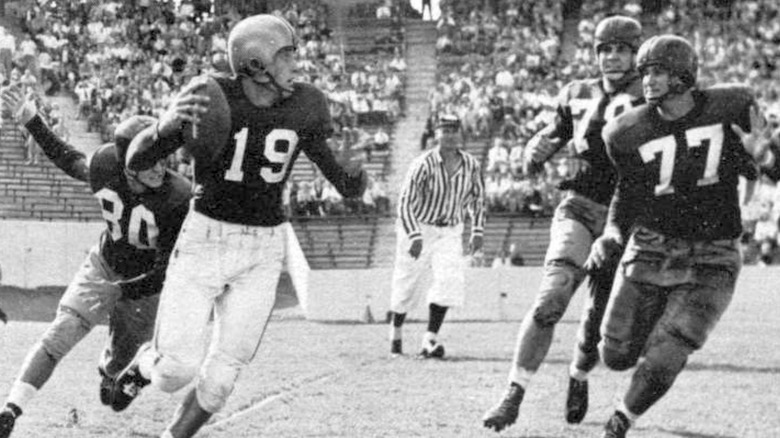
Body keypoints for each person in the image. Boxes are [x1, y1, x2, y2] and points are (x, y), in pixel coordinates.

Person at [112, 15, 367, 438]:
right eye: (285, 54)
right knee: (175, 371)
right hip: (206, 237)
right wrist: (166, 122)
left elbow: (345, 183)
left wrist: (356, 174)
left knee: (223, 377)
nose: (295, 63)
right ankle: (145, 364)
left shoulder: (305, 104)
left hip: (265, 247)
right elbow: (136, 160)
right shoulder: (211, 96)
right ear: (255, 62)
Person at [584, 34, 776, 438]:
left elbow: (767, 171)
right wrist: (612, 232)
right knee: (615, 353)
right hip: (651, 246)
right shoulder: (626, 131)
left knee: (673, 344)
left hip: (714, 253)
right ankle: (642, 345)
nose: (648, 80)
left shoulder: (727, 111)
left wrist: (765, 155)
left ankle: (621, 419)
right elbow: (628, 192)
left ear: (682, 75)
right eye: (646, 72)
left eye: (657, 71)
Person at [0, 88, 194, 437]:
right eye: (151, 159)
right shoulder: (106, 166)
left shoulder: (176, 197)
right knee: (61, 333)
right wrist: (31, 117)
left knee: (116, 388)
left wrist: (122, 291)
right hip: (104, 264)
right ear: (128, 162)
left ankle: (113, 369)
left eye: (163, 156)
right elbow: (67, 158)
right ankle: (10, 410)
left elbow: (165, 271)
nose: (161, 166)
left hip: (144, 283)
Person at [483, 15, 645, 431]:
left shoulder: (650, 94)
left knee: (596, 323)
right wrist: (537, 146)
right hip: (579, 204)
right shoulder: (577, 93)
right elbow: (556, 131)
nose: (612, 57)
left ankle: (578, 374)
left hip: (624, 216)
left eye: (621, 49)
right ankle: (513, 394)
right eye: (605, 49)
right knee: (551, 297)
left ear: (636, 54)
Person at [388, 113, 485, 358]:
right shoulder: (423, 164)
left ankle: (429, 339)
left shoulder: (471, 164)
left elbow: (478, 199)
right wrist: (414, 236)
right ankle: (396, 334)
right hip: (421, 226)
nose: (450, 135)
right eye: (445, 130)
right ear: (436, 134)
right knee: (407, 283)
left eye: (454, 130)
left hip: (451, 229)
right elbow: (405, 203)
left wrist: (477, 230)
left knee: (449, 280)